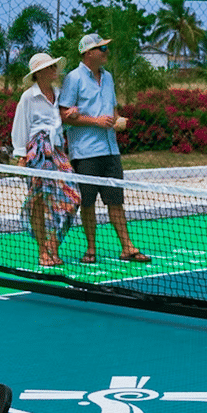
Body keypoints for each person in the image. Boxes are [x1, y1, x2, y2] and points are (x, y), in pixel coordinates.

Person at [59, 32, 151, 264]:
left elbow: (113, 108)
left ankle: (127, 247)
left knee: (116, 201)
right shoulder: (74, 78)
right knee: (87, 203)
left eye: (106, 48)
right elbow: (64, 115)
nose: (106, 52)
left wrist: (118, 121)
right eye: (102, 49)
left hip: (111, 150)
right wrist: (96, 121)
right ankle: (90, 250)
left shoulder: (108, 77)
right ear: (89, 53)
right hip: (85, 152)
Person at [10, 52, 81, 268]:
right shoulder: (27, 97)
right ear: (39, 73)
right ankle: (43, 251)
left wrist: (72, 116)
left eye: (54, 67)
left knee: (74, 198)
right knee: (39, 201)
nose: (54, 70)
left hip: (57, 151)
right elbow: (20, 127)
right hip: (36, 152)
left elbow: (62, 125)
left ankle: (53, 244)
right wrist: (21, 156)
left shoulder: (60, 95)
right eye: (50, 67)